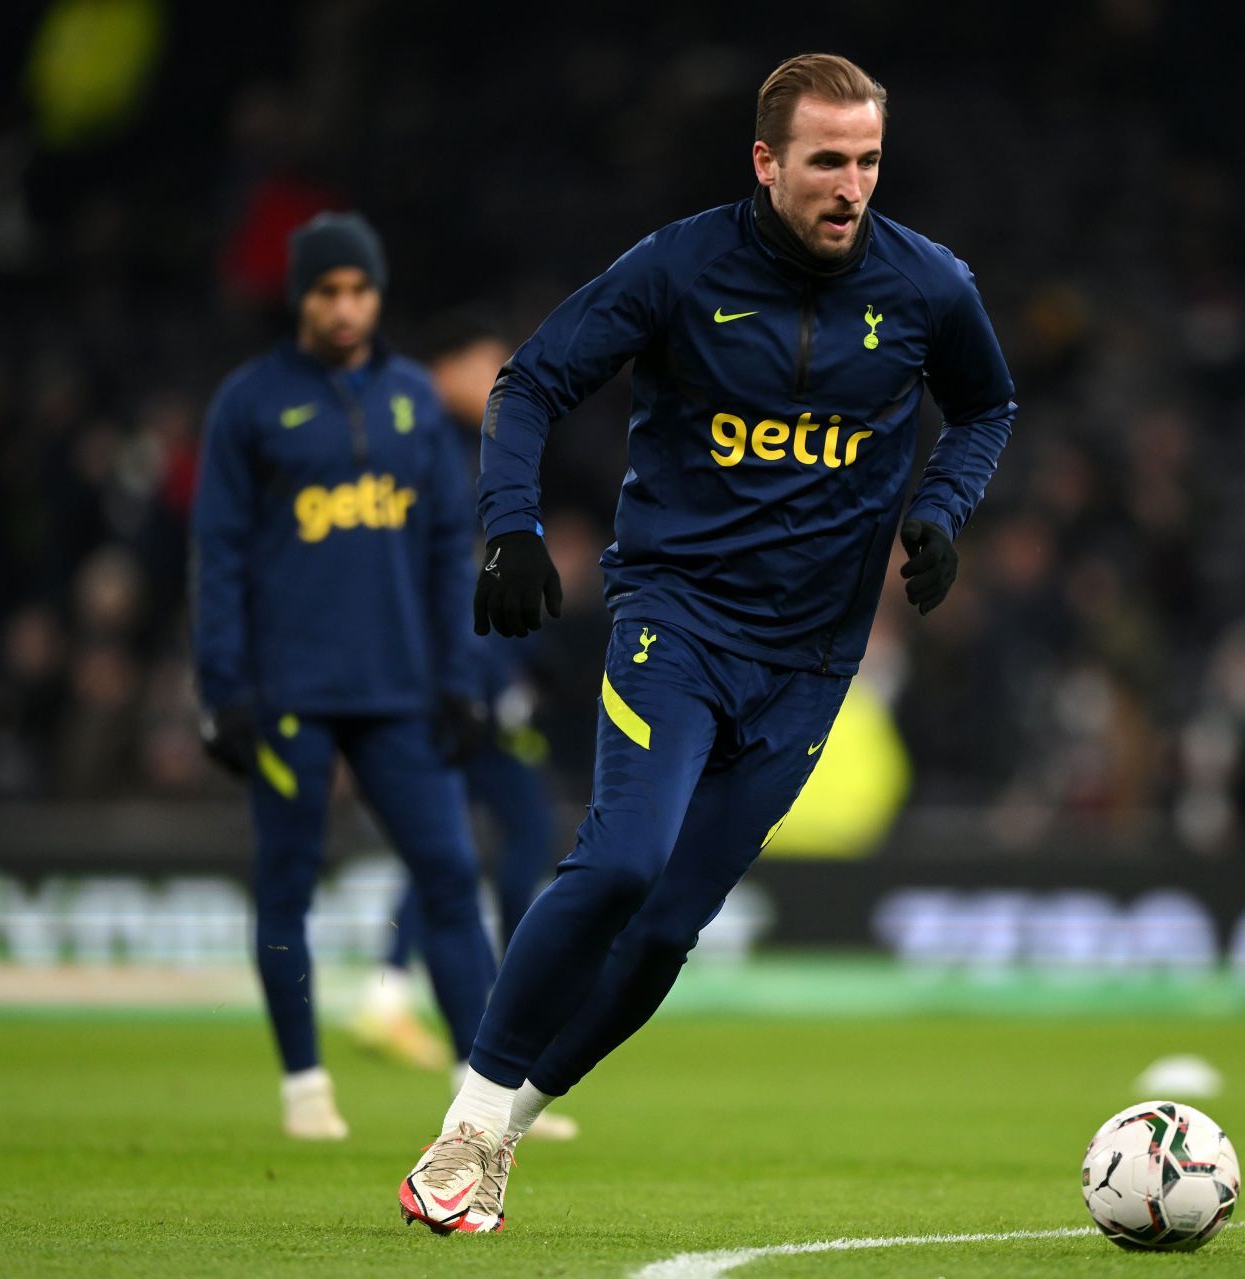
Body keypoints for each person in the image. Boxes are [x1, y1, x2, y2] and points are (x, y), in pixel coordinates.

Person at [398, 53, 1016, 1234]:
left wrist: (941, 510)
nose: (851, 186)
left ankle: (510, 1127)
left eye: (869, 160)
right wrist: (511, 529)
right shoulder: (680, 266)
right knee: (622, 861)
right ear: (766, 161)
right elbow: (528, 384)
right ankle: (466, 1122)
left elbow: (988, 405)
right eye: (827, 160)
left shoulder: (929, 287)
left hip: (810, 664)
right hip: (674, 620)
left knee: (671, 925)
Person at [191, 212, 497, 1140]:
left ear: (377, 294)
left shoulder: (411, 398)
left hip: (403, 689)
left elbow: (452, 547)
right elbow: (219, 554)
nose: (345, 307)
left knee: (449, 874)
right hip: (292, 694)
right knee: (287, 882)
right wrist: (224, 687)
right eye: (328, 290)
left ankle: (482, 1096)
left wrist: (461, 673)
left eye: (359, 290)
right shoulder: (249, 406)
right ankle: (304, 1086)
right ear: (300, 297)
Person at [349, 316, 576, 1140]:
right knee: (508, 839)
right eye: (487, 364)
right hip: (452, 682)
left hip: (460, 675)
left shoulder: (445, 443)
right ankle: (501, 1040)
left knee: (456, 849)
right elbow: (442, 578)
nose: (496, 382)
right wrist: (484, 681)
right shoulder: (426, 437)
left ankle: (407, 1002)